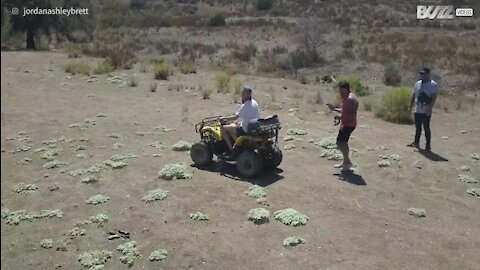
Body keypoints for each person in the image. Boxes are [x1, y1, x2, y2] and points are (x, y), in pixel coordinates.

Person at [327, 80, 359, 171]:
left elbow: (351, 114)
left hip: (349, 124)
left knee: (341, 143)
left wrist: (339, 117)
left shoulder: (350, 99)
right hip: (347, 123)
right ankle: (346, 162)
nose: (340, 93)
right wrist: (334, 109)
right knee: (342, 142)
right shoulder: (348, 98)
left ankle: (347, 162)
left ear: (345, 89)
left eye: (341, 91)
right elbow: (346, 111)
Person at [221, 86, 260, 159]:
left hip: (245, 129)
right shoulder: (254, 102)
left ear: (247, 95)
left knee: (223, 128)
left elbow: (235, 117)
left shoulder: (245, 106)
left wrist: (223, 118)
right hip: (253, 126)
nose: (241, 95)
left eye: (243, 93)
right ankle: (236, 144)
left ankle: (231, 149)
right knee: (235, 125)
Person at [408, 67, 439, 151]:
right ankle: (416, 142)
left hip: (426, 110)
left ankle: (428, 145)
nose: (422, 75)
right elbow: (414, 94)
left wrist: (430, 108)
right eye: (421, 74)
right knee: (418, 127)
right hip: (417, 109)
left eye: (423, 74)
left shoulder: (433, 85)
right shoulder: (418, 83)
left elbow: (434, 97)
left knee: (426, 128)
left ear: (428, 74)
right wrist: (410, 106)